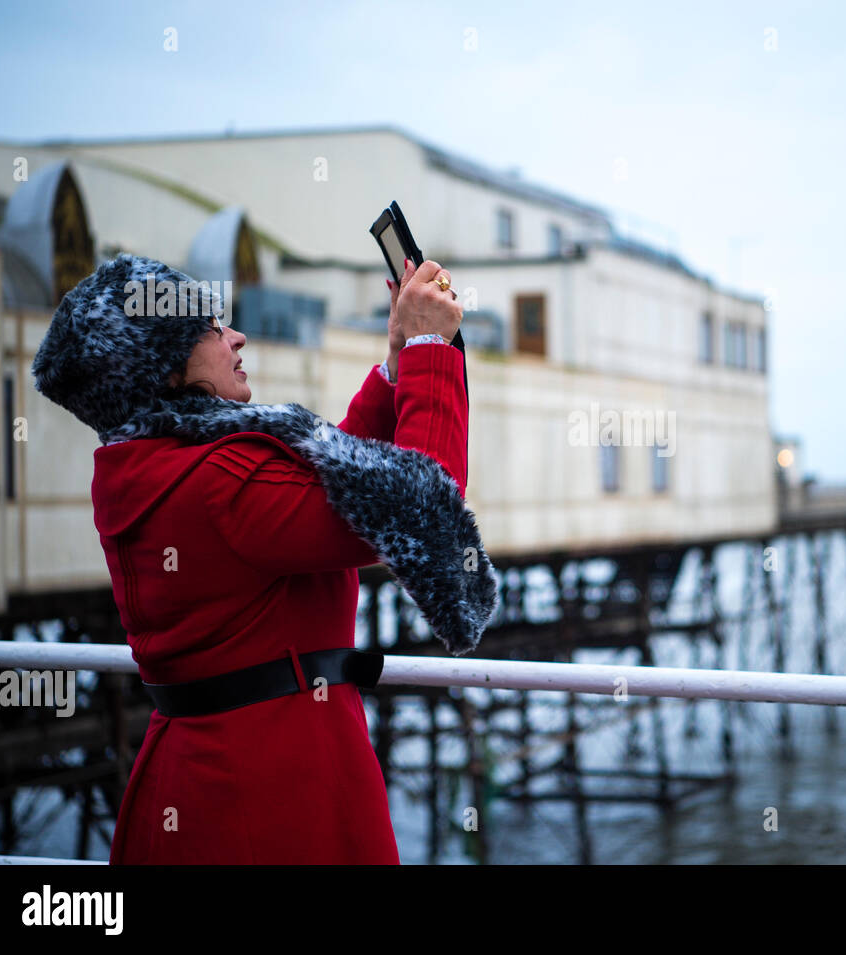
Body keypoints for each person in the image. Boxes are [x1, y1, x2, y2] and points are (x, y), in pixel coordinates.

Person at [30, 253, 498, 864]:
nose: (235, 336)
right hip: (272, 791)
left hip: (202, 772)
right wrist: (432, 345)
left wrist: (395, 366)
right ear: (165, 368)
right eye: (211, 327)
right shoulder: (220, 478)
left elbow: (343, 488)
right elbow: (419, 502)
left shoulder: (146, 462)